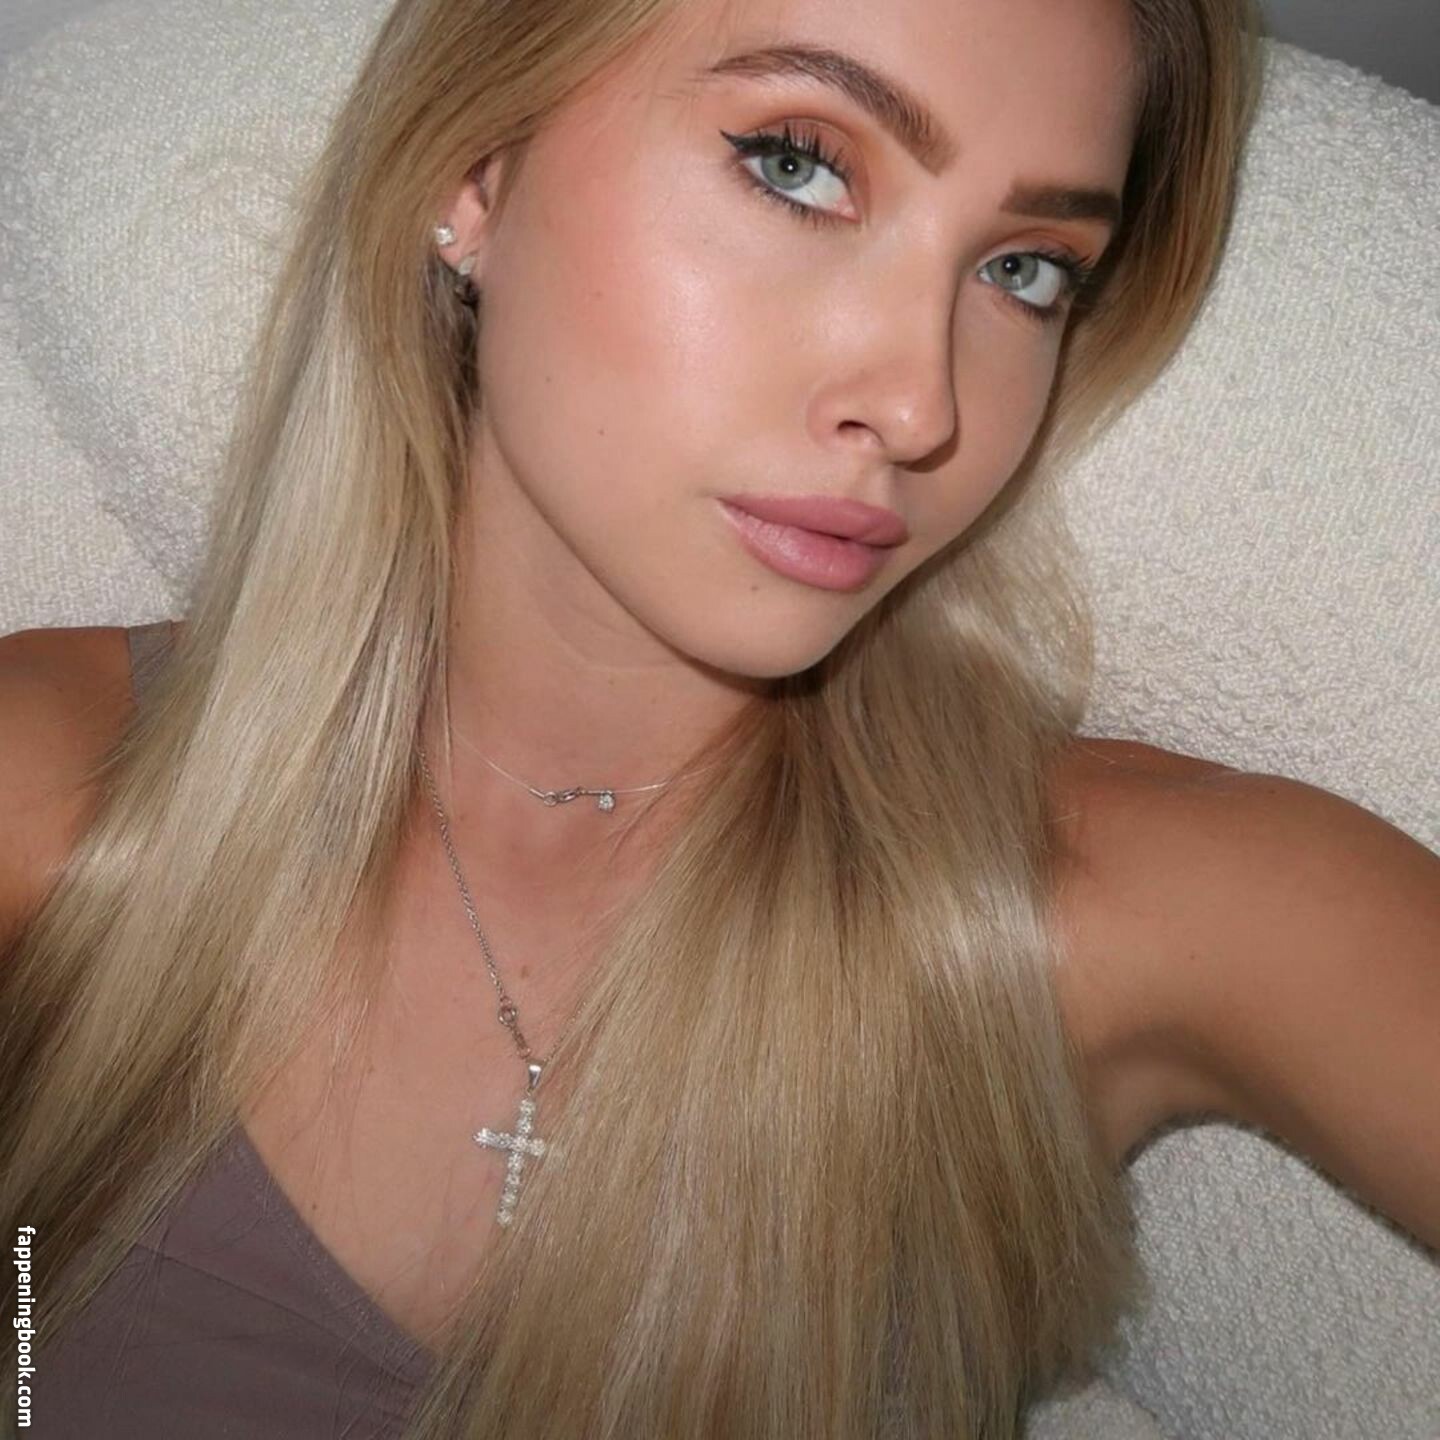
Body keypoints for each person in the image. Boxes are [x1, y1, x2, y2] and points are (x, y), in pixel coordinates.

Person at [1, 0, 1436, 1434]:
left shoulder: (1120, 908)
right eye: (797, 166)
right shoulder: (57, 793)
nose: (920, 406)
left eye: (1023, 269)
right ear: (472, 174)